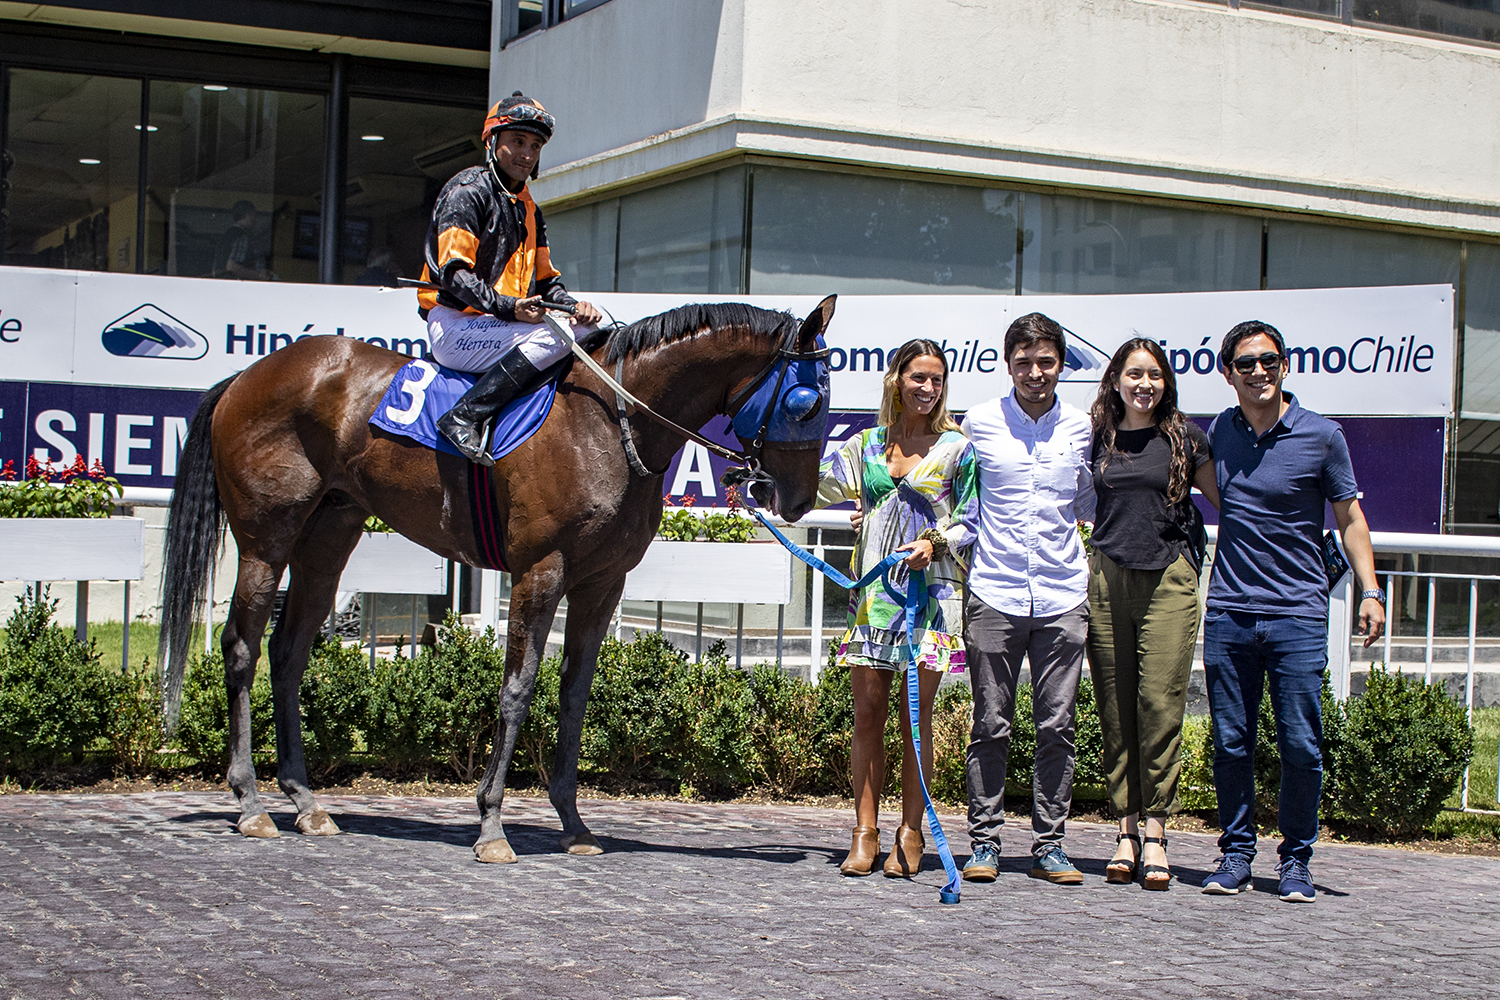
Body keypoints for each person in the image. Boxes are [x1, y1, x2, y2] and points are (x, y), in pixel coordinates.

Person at [1199, 320, 1384, 904]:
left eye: (1269, 360)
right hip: (1229, 612)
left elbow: (1350, 518)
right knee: (1231, 743)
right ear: (1228, 373)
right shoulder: (1219, 432)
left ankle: (1296, 860)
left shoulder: (1322, 436)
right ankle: (1236, 854)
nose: (1259, 371)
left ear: (1285, 365)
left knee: (1301, 745)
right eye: (1246, 363)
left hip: (1298, 615)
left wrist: (1371, 590)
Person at [816, 339, 979, 878]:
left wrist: (935, 540)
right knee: (867, 713)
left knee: (915, 717)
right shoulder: (866, 446)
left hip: (932, 599)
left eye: (937, 379)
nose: (928, 388)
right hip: (873, 600)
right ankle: (864, 832)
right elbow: (814, 488)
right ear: (896, 380)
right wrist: (761, 479)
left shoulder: (957, 449)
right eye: (918, 377)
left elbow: (971, 519)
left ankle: (911, 833)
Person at [960, 312, 1095, 886]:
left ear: (1061, 365)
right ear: (1007, 363)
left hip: (1063, 594)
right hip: (995, 590)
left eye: (1046, 362)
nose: (1035, 373)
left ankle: (1050, 844)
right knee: (990, 723)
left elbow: (1092, 501)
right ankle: (984, 842)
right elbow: (956, 498)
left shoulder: (1083, 427)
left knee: (1057, 725)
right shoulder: (979, 423)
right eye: (1024, 362)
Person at [1085, 338, 1220, 890]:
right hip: (1106, 575)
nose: (1145, 384)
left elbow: (1231, 503)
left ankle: (1157, 831)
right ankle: (1125, 830)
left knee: (1159, 703)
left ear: (1167, 382)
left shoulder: (1187, 437)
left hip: (1169, 577)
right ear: (1116, 380)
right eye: (1134, 374)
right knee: (1115, 707)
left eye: (1155, 375)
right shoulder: (1097, 435)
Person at [418, 92, 603, 465]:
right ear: (492, 141)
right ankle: (463, 416)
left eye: (535, 146)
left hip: (500, 324)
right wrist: (511, 308)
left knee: (590, 329)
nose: (527, 154)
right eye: (518, 141)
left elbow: (547, 282)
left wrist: (574, 307)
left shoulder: (529, 207)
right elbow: (454, 276)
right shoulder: (467, 191)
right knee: (557, 336)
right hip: (454, 324)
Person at [215, 200, 269, 280]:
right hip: (235, 284)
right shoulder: (241, 236)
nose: (254, 218)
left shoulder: (227, 235)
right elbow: (232, 267)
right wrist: (259, 276)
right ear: (248, 214)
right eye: (253, 214)